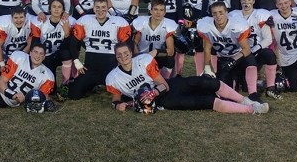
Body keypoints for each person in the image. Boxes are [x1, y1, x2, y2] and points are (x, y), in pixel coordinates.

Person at [105, 43, 268, 114]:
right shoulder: (113, 77)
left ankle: (244, 100)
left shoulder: (142, 61)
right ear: (116, 57)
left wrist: (152, 93)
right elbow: (116, 99)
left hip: (168, 87)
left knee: (205, 81)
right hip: (163, 102)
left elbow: (163, 85)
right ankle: (252, 110)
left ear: (131, 54)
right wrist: (119, 106)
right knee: (206, 102)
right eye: (120, 55)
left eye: (126, 53)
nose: (123, 57)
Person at [67, 0, 132, 100]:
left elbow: (128, 45)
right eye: (97, 7)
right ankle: (90, 85)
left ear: (107, 9)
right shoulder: (85, 21)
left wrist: (123, 64)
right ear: (93, 9)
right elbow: (74, 43)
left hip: (111, 68)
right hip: (90, 68)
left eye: (103, 7)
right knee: (74, 95)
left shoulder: (118, 22)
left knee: (127, 96)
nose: (100, 10)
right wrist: (76, 61)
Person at [197, 1, 262, 102]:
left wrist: (233, 60)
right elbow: (207, 49)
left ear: (226, 12)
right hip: (223, 59)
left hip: (239, 56)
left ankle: (253, 94)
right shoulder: (207, 26)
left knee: (251, 62)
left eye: (221, 12)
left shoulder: (236, 25)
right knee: (225, 95)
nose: (218, 16)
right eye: (214, 13)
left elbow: (247, 49)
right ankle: (235, 81)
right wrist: (207, 67)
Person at [229, 0, 280, 100]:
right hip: (240, 53)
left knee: (269, 55)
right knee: (245, 87)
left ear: (254, 1)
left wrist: (256, 48)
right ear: (240, 1)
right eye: (243, 0)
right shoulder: (233, 15)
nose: (246, 2)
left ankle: (270, 88)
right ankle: (240, 79)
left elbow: (268, 39)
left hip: (256, 52)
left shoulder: (260, 15)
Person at [172, 0, 211, 76]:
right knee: (180, 43)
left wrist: (202, 16)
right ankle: (178, 73)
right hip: (182, 9)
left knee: (199, 44)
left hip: (198, 9)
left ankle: (200, 73)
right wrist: (180, 17)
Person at [31, 0, 75, 96]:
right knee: (52, 90)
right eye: (54, 6)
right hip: (46, 57)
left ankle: (65, 84)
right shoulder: (41, 22)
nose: (56, 9)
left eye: (59, 7)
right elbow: (35, 44)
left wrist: (67, 33)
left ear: (63, 10)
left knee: (66, 54)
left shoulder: (69, 22)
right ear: (49, 9)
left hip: (60, 54)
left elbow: (70, 47)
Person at [132, 0, 177, 78]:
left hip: (157, 55)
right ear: (151, 11)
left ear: (165, 12)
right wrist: (137, 56)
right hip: (141, 55)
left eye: (161, 10)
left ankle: (164, 80)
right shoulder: (142, 22)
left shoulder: (168, 25)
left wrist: (156, 52)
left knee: (170, 60)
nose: (158, 12)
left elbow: (170, 51)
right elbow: (134, 43)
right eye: (155, 9)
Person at [0, 6, 34, 72]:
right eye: (16, 18)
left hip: (22, 56)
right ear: (11, 18)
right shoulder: (4, 25)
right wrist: (2, 64)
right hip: (4, 56)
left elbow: (30, 45)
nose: (19, 20)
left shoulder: (30, 24)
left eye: (21, 17)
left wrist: (19, 58)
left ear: (25, 17)